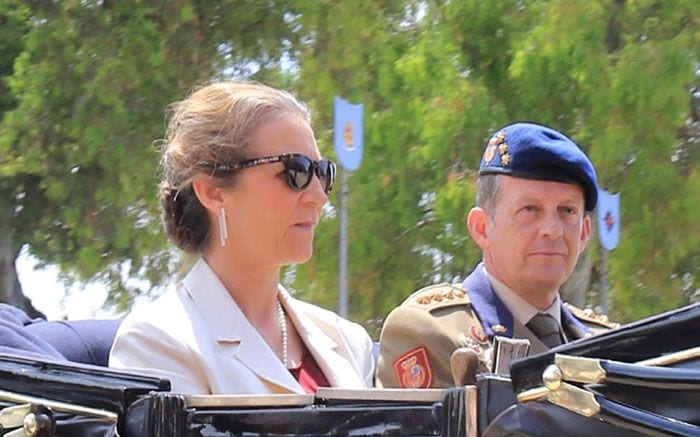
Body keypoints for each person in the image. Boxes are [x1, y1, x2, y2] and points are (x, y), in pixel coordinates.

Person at [109, 81, 374, 394]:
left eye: (323, 172)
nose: (318, 196)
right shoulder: (156, 344)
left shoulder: (348, 341)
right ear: (212, 192)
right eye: (296, 172)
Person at [376, 122, 615, 388]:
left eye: (567, 211)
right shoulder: (430, 331)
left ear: (583, 234)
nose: (552, 229)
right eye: (530, 209)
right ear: (482, 228)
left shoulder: (611, 347)